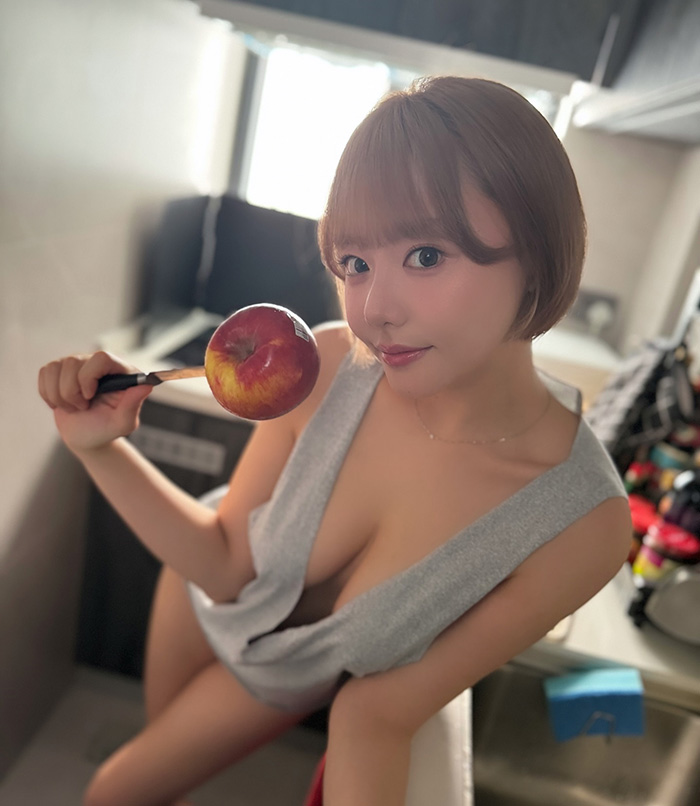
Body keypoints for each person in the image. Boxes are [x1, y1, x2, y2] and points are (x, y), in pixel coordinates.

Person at [38, 76, 631, 806]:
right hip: (191, 599)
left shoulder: (582, 525)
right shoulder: (326, 367)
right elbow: (223, 566)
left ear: (537, 252)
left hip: (277, 680)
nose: (374, 311)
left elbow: (378, 713)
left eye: (425, 255)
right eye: (356, 264)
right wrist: (97, 447)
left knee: (116, 791)